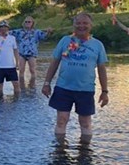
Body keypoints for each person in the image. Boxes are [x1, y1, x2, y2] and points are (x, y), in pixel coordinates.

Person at [41, 12, 109, 145]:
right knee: (62, 119)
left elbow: (102, 69)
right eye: (78, 23)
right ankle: (60, 151)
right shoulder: (65, 41)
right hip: (63, 87)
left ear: (91, 25)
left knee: (85, 122)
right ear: (73, 25)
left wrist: (105, 91)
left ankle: (84, 152)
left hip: (85, 89)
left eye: (85, 23)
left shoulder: (97, 45)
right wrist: (46, 83)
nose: (81, 26)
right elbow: (55, 62)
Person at [11, 16, 53, 88]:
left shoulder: (37, 32)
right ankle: (21, 86)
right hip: (22, 53)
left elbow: (45, 36)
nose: (27, 23)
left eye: (29, 22)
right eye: (26, 22)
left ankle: (32, 86)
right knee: (21, 70)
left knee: (32, 70)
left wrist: (49, 32)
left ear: (32, 23)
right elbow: (7, 33)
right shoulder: (19, 32)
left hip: (32, 54)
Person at [0, 20, 20, 97]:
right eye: (2, 27)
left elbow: (15, 51)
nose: (4, 29)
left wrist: (17, 63)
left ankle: (17, 101)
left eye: (5, 27)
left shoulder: (12, 38)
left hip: (10, 66)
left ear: (8, 28)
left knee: (16, 84)